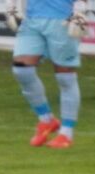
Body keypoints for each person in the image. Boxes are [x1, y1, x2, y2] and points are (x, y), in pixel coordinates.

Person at [5, 0, 88, 148]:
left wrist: (80, 9)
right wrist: (11, 4)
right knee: (21, 69)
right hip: (31, 19)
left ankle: (66, 133)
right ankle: (47, 119)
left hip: (62, 20)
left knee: (65, 77)